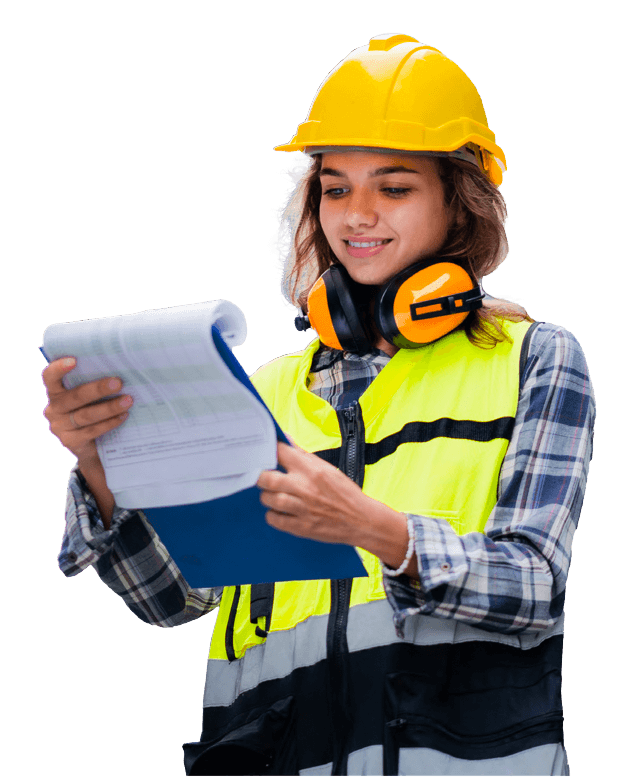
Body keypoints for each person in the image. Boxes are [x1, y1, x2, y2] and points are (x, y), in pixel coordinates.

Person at [43, 33, 595, 776]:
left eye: (393, 187)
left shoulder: (534, 359)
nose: (357, 214)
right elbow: (171, 598)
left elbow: (533, 584)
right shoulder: (267, 389)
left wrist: (375, 530)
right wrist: (101, 462)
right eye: (335, 187)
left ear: (458, 204)